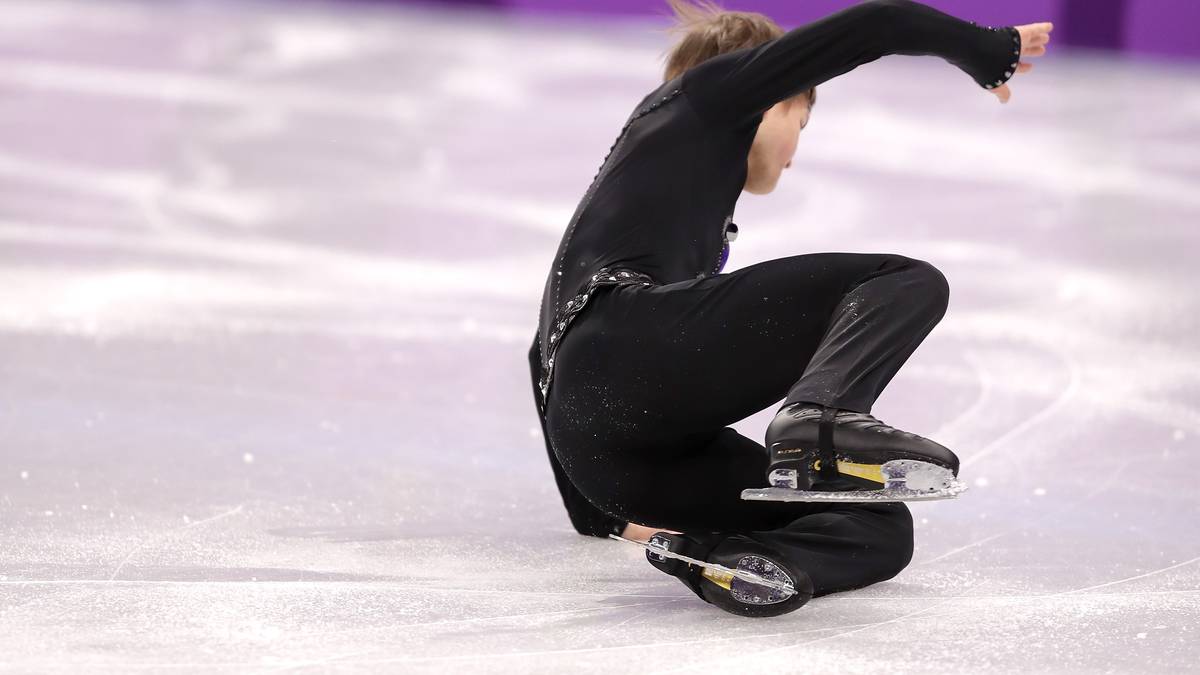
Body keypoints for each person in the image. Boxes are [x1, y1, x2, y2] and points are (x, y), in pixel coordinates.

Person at [526, 0, 1053, 617]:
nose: (796, 147)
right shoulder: (711, 94)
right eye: (801, 120)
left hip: (612, 456)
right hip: (629, 352)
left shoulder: (657, 179)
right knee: (904, 282)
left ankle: (734, 561)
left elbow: (544, 352)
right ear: (773, 95)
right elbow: (879, 22)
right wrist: (986, 51)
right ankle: (820, 416)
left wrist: (603, 513)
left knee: (881, 526)